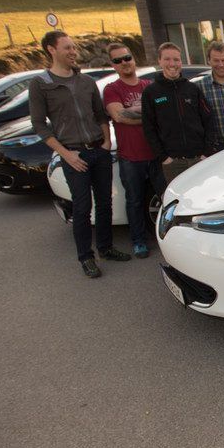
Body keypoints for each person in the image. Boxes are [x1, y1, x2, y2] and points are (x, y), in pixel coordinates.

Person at [29, 30, 131, 278]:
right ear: (51, 50)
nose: (73, 52)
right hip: (74, 156)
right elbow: (39, 125)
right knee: (82, 208)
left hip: (99, 150)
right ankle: (86, 257)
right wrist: (66, 154)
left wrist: (106, 142)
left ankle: (106, 248)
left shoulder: (85, 81)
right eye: (67, 47)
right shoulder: (41, 84)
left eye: (74, 47)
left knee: (105, 203)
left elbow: (99, 114)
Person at [103, 42, 165, 259]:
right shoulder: (112, 89)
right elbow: (119, 116)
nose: (124, 63)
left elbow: (161, 114)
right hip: (131, 158)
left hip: (156, 154)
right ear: (113, 65)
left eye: (127, 57)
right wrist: (147, 114)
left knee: (166, 198)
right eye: (118, 60)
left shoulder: (149, 85)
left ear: (133, 59)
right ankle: (138, 241)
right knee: (135, 201)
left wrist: (133, 111)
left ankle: (168, 238)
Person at [141, 42, 214, 184]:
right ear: (159, 61)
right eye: (167, 59)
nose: (172, 64)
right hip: (173, 163)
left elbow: (209, 119)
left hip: (198, 159)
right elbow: (148, 127)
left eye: (176, 59)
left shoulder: (192, 89)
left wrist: (206, 152)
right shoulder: (151, 92)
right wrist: (164, 157)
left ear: (181, 62)